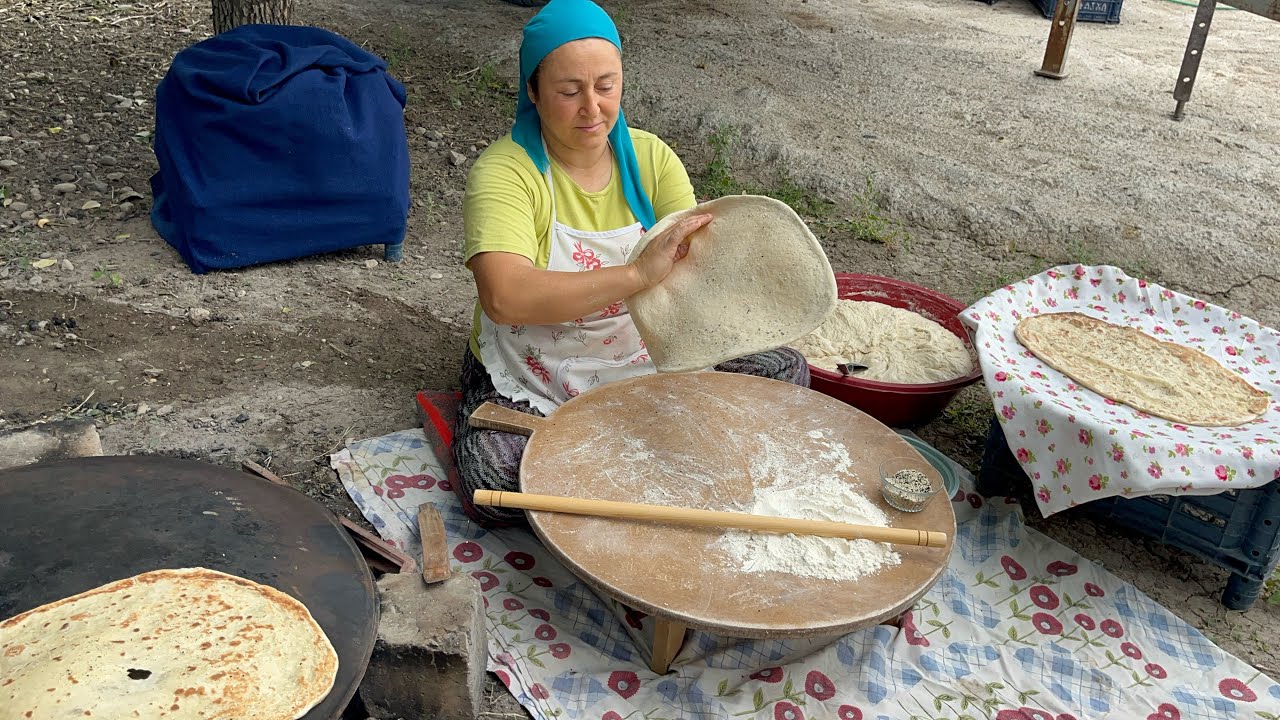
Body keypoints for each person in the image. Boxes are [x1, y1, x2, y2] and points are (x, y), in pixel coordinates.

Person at [453, 0, 810, 526]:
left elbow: (695, 273)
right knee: (497, 477)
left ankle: (619, 458)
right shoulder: (507, 173)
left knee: (786, 370)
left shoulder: (651, 160)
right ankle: (644, 460)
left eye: (606, 86)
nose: (592, 109)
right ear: (532, 91)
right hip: (538, 364)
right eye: (569, 91)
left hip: (642, 351)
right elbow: (506, 298)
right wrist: (638, 276)